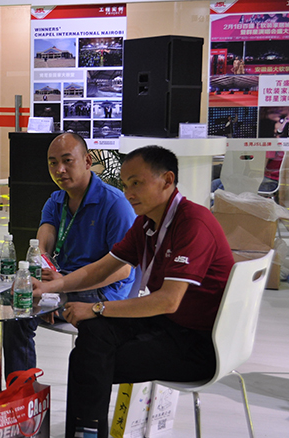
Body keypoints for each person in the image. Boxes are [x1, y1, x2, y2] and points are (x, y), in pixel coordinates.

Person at [33, 145, 234, 438]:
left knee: (89, 360)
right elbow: (102, 268)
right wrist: (51, 286)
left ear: (167, 180)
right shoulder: (146, 223)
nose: (128, 194)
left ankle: (85, 432)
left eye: (137, 183)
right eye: (126, 185)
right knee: (93, 336)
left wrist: (96, 308)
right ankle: (86, 431)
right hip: (170, 326)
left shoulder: (193, 222)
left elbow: (168, 301)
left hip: (201, 344)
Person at [0, 132, 136, 386]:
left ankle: (16, 390)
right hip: (60, 283)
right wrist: (47, 290)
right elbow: (40, 248)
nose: (59, 169)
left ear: (87, 161)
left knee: (18, 311)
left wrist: (56, 291)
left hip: (102, 291)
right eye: (53, 163)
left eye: (67, 161)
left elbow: (123, 270)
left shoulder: (115, 204)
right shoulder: (56, 200)